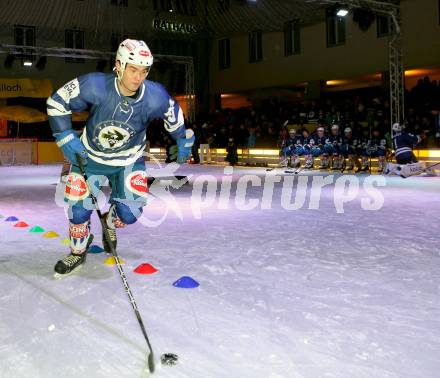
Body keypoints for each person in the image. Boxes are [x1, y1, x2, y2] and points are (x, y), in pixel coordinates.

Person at [47, 39, 195, 277]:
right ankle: (77, 253)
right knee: (78, 212)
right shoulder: (95, 85)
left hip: (128, 161)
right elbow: (57, 101)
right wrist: (64, 135)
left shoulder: (155, 95)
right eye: (133, 69)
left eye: (144, 70)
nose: (138, 77)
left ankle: (108, 222)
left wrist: (183, 139)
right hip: (90, 158)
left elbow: (174, 115)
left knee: (130, 214)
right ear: (119, 65)